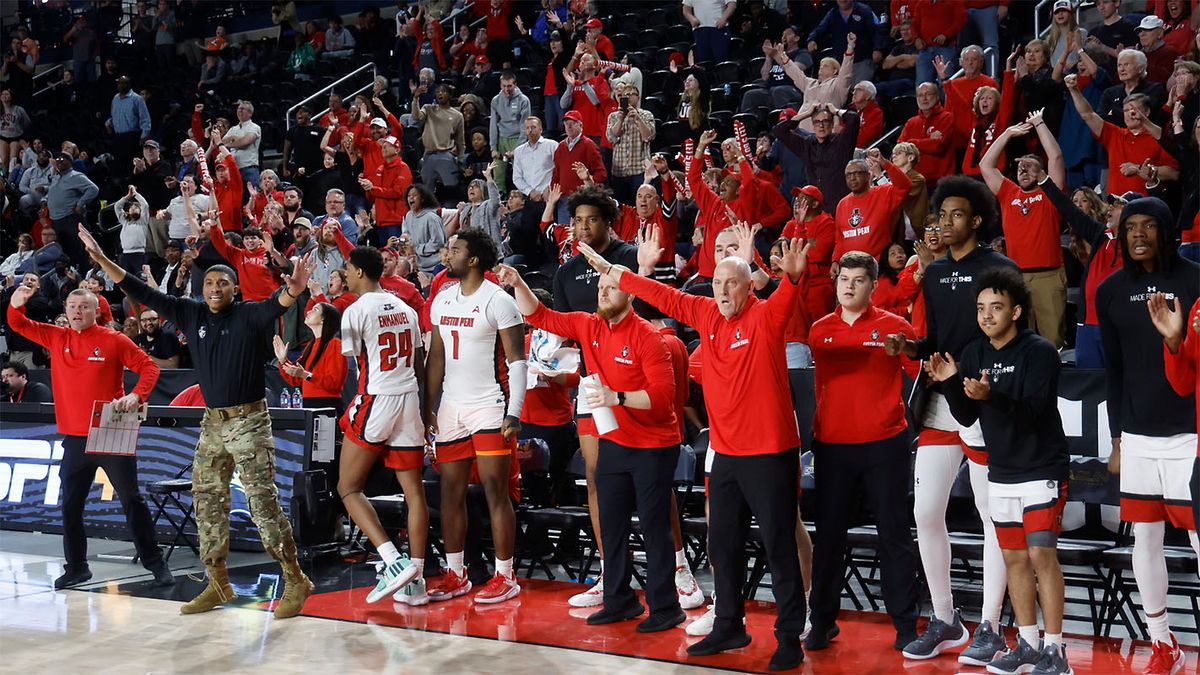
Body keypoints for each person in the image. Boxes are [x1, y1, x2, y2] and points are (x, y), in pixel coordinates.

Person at [573, 233, 812, 672]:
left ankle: (789, 636)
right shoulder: (705, 313)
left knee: (778, 548)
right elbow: (662, 294)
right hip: (723, 455)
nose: (722, 291)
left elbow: (789, 296)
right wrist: (614, 272)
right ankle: (729, 625)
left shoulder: (766, 317)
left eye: (732, 283)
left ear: (748, 287)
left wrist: (793, 278)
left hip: (769, 453)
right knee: (722, 546)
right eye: (717, 282)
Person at [78, 224, 315, 619]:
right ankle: (217, 582)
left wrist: (294, 288)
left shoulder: (252, 314)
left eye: (223, 283)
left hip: (250, 421)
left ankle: (294, 578)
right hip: (212, 424)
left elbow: (281, 301)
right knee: (206, 502)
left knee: (263, 505)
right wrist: (102, 260)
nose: (215, 288)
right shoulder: (191, 313)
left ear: (235, 290)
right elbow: (143, 292)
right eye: (209, 284)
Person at [498, 262, 686, 633]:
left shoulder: (649, 337)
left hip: (654, 445)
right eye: (600, 287)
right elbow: (540, 314)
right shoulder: (589, 325)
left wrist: (617, 397)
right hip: (615, 441)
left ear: (630, 293)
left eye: (611, 287)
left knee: (653, 526)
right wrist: (519, 282)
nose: (603, 292)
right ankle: (619, 600)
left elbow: (663, 399)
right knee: (612, 525)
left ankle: (667, 607)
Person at [884, 177, 1017, 665]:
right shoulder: (935, 273)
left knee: (991, 516)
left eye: (956, 214)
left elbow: (1016, 339)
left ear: (977, 220)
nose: (945, 222)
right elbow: (936, 336)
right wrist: (911, 347)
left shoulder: (1001, 268)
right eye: (941, 215)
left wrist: (985, 382)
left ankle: (990, 624)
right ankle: (946, 620)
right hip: (941, 401)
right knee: (924, 513)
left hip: (985, 401)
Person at [927, 267, 1073, 675]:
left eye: (996, 307)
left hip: (1042, 466)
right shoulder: (974, 353)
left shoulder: (1038, 351)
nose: (987, 315)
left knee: (1041, 554)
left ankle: (1056, 651)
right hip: (1002, 470)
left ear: (1016, 311)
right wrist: (952, 384)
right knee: (1014, 559)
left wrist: (994, 395)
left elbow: (1034, 411)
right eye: (980, 308)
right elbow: (967, 413)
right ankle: (1027, 644)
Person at [6, 283, 172, 589]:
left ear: (97, 311)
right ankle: (77, 567)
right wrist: (16, 303)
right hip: (75, 437)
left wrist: (137, 395)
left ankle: (155, 563)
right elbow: (18, 323)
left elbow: (149, 367)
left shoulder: (114, 339)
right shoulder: (57, 337)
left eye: (83, 307)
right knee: (70, 504)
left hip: (111, 430)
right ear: (65, 311)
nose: (77, 312)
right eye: (71, 307)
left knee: (132, 500)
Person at [1095, 197, 1200, 675]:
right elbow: (1113, 371)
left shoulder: (1194, 280)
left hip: (1189, 435)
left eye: (1149, 226)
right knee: (1145, 541)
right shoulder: (1110, 290)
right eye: (1130, 226)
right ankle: (1163, 643)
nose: (1138, 234)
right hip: (1137, 437)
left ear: (1167, 230)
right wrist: (1118, 436)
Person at [805, 251, 920, 652]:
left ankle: (906, 626)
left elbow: (922, 376)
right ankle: (821, 622)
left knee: (894, 535)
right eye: (843, 279)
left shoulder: (896, 327)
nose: (849, 286)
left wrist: (910, 351)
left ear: (873, 285)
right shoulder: (819, 330)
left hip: (886, 444)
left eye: (858, 280)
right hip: (833, 447)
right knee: (830, 538)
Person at [425, 228, 527, 604]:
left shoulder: (499, 301)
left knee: (495, 493)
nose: (447, 254)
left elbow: (518, 360)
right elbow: (435, 358)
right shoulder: (441, 299)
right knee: (450, 493)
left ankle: (505, 575)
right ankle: (456, 573)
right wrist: (428, 408)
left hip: (489, 405)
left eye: (456, 250)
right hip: (451, 406)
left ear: (473, 260)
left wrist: (513, 412)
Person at [331, 246, 431, 605]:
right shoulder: (405, 307)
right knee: (414, 494)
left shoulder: (356, 310)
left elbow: (354, 363)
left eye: (346, 268)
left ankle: (391, 560)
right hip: (409, 400)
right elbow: (419, 362)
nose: (344, 274)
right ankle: (415, 583)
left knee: (348, 488)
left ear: (358, 272)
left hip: (377, 398)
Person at [979, 111, 1068, 348]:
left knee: (1053, 342)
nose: (1024, 170)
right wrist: (1006, 134)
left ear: (1041, 172)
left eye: (1030, 166)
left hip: (1048, 275)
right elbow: (985, 165)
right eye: (1020, 167)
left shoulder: (1050, 194)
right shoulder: (1009, 193)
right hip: (1016, 277)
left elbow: (1056, 157)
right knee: (1017, 342)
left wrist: (1038, 123)